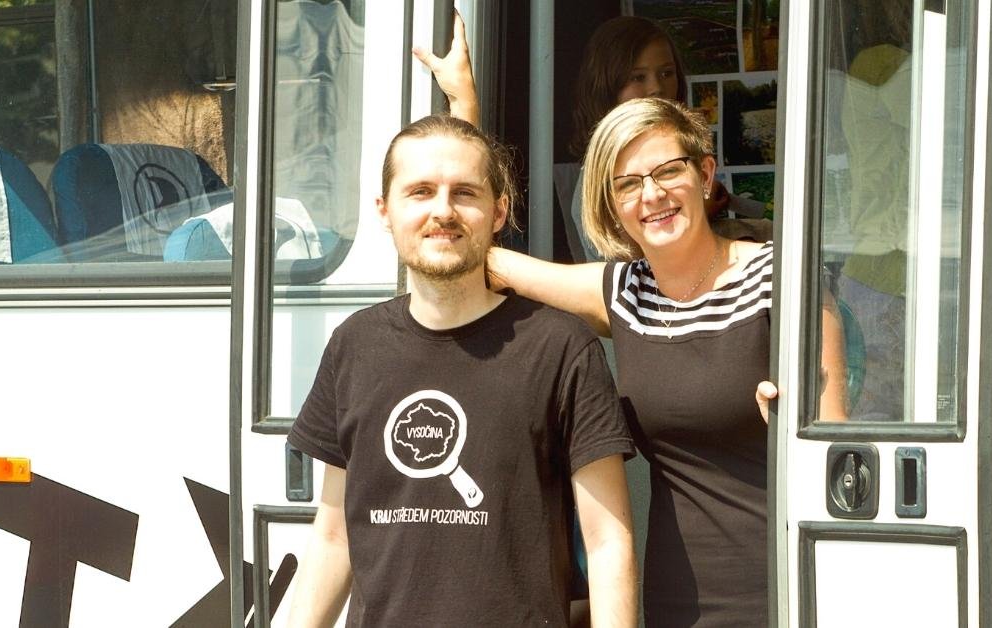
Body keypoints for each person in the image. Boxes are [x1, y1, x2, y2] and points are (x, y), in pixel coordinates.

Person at [488, 98, 848, 625]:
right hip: (678, 599)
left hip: (791, 587)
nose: (651, 194)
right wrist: (465, 104)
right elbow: (483, 257)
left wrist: (797, 432)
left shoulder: (784, 278)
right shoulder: (624, 293)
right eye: (628, 183)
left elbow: (841, 462)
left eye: (667, 171)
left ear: (704, 174)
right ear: (611, 204)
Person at [285, 115, 638, 627]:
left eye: (465, 193)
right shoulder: (353, 346)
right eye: (420, 191)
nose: (443, 211)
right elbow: (334, 535)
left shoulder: (562, 348)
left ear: (499, 212)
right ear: (385, 211)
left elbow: (607, 542)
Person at [414, 13, 770, 262]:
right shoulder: (597, 178)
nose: (657, 88)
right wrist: (465, 104)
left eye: (666, 73)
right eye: (637, 77)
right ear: (607, 87)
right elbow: (641, 271)